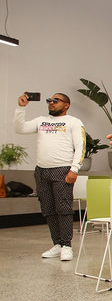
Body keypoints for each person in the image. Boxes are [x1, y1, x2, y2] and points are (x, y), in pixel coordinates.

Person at [15, 92, 85, 261]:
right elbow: (20, 128)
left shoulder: (74, 122)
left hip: (62, 170)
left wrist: (74, 169)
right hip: (42, 171)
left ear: (66, 105)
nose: (51, 103)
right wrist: (21, 108)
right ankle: (57, 244)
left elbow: (81, 145)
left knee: (63, 209)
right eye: (49, 101)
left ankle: (67, 245)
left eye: (56, 100)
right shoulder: (41, 121)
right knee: (48, 210)